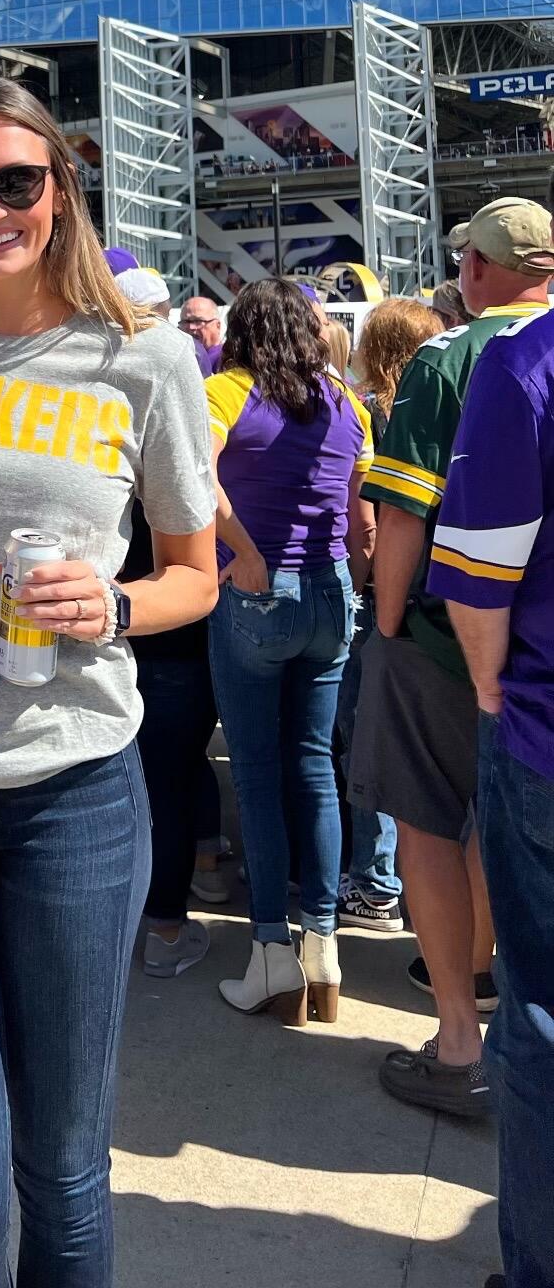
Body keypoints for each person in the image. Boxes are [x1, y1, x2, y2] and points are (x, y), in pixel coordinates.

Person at [0, 77, 218, 1287]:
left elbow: (197, 575)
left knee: (64, 1171)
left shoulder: (147, 358)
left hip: (77, 795)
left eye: (16, 181)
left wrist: (115, 604)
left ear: (62, 189)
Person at [350, 197, 552, 1118]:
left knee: (428, 823)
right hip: (536, 651)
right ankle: (491, 989)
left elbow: (402, 514)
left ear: (475, 268)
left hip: (450, 632)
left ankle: (460, 1039)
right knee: (497, 826)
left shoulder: (447, 356)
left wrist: (387, 626)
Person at [207, 279, 374, 1022]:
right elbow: (362, 518)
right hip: (330, 591)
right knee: (314, 767)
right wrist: (350, 586)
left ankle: (271, 953)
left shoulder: (226, 392)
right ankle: (324, 949)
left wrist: (243, 551)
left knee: (256, 774)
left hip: (256, 592)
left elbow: (193, 478)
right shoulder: (346, 402)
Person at [428, 305, 554, 1288]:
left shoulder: (527, 362)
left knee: (543, 1016)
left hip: (543, 737)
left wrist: (485, 684)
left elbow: (478, 579)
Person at [336, 297, 443, 931]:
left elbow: (377, 524)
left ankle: (376, 885)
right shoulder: (447, 403)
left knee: (368, 744)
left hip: (387, 597)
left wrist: (375, 605)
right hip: (441, 599)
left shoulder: (377, 413)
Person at [178, 296, 225, 376]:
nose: (191, 327)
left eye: (198, 321)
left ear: (218, 326)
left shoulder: (225, 359)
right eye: (186, 321)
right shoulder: (178, 359)